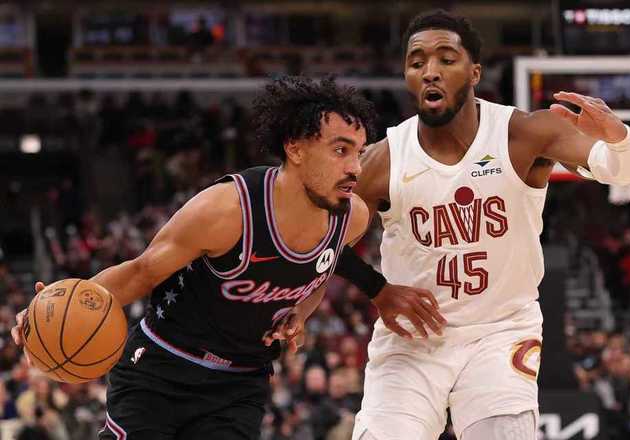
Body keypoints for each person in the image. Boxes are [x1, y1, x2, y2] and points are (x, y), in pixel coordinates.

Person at [10, 75, 429, 440]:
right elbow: (140, 273)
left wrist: (300, 312)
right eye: (340, 150)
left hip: (239, 384)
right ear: (295, 148)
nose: (356, 167)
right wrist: (53, 308)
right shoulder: (227, 210)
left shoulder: (351, 217)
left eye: (359, 152)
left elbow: (320, 271)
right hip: (161, 369)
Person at [330, 9, 630, 440]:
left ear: (474, 72)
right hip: (412, 341)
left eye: (446, 59)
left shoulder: (525, 133)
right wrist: (377, 289)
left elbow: (623, 169)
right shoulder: (383, 158)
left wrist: (620, 138)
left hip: (500, 334)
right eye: (416, 62)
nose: (430, 71)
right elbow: (325, 242)